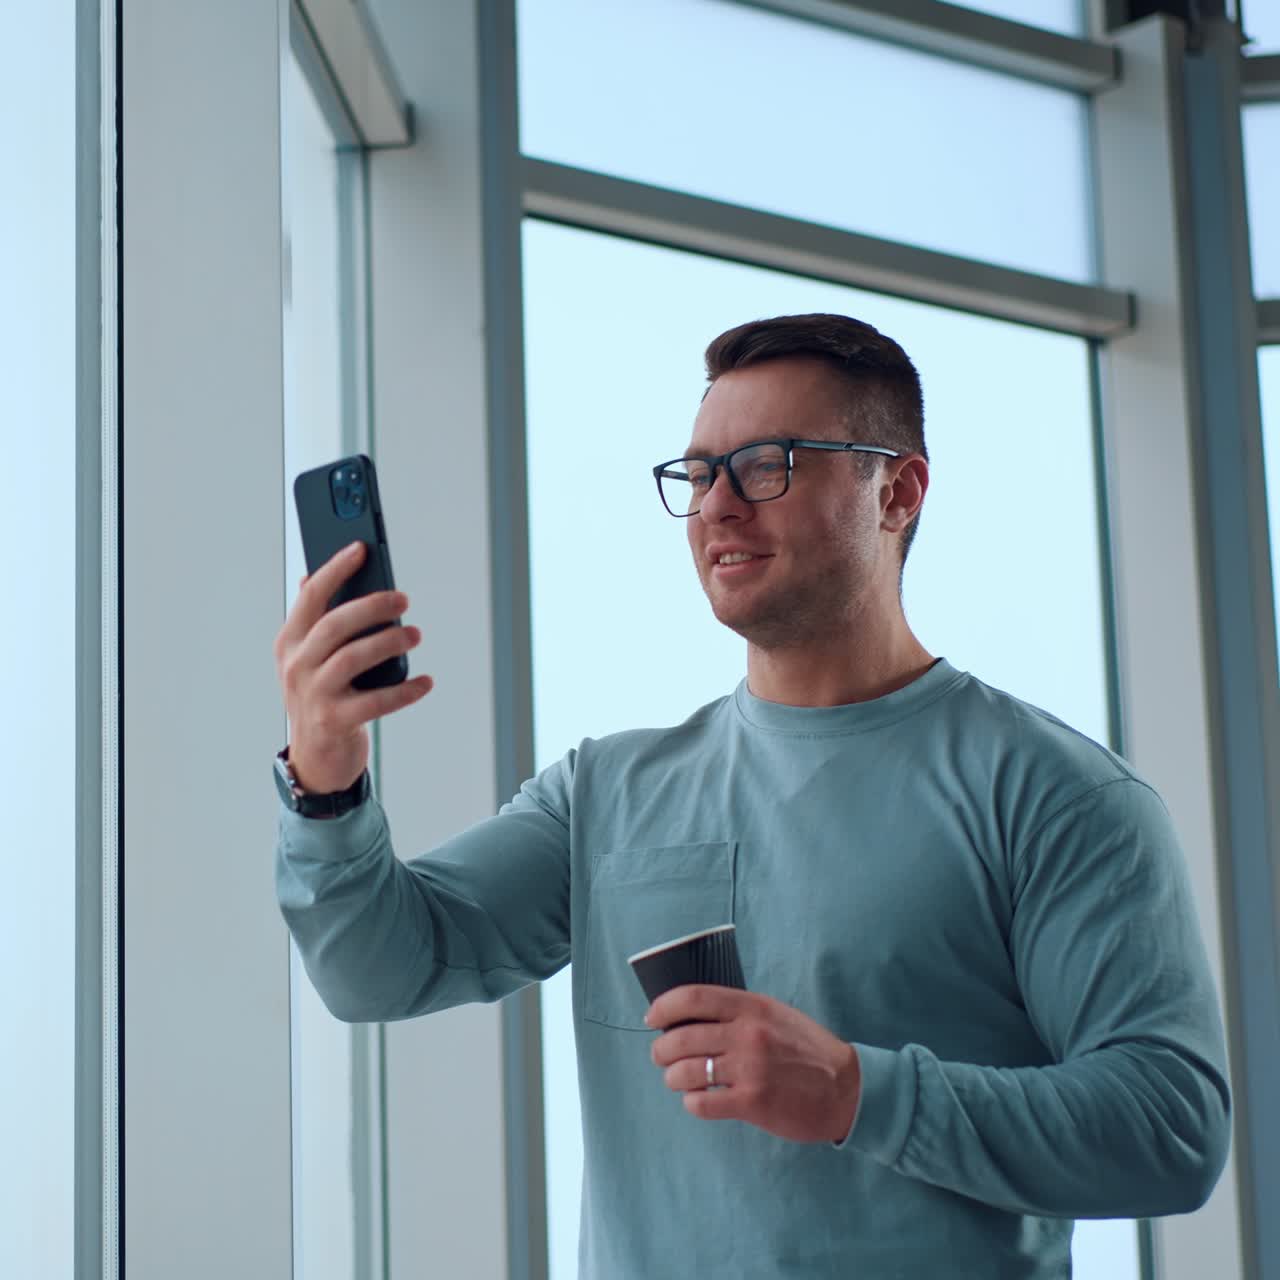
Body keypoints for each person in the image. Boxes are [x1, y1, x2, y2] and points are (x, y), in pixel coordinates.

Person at [273, 313, 1231, 1278]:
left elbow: (1172, 1129)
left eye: (768, 463)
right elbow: (378, 970)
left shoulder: (1060, 797)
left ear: (896, 491)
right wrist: (325, 774)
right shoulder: (603, 793)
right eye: (697, 474)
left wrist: (860, 1093)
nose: (717, 507)